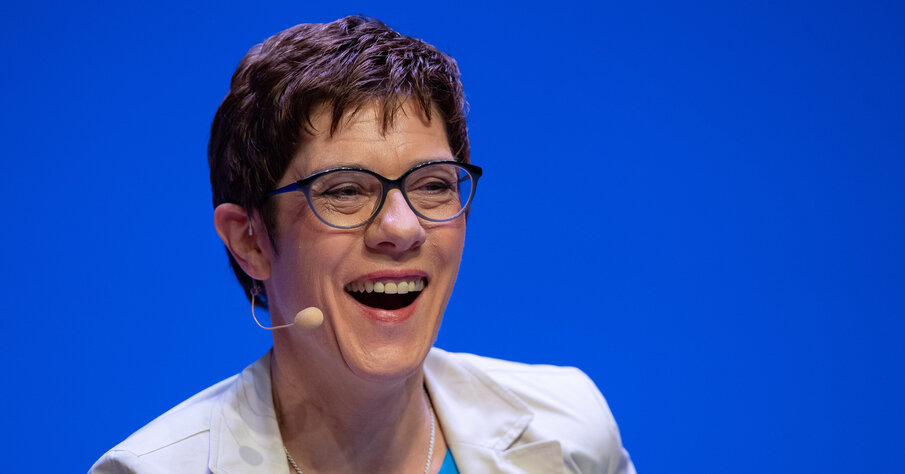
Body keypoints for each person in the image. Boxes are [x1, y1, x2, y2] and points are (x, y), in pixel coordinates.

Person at [91, 15, 634, 473]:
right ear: (249, 240)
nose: (402, 228)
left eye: (433, 185)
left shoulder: (572, 432)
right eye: (345, 191)